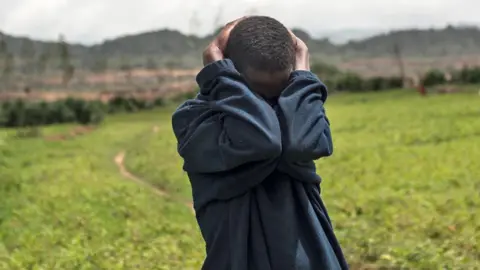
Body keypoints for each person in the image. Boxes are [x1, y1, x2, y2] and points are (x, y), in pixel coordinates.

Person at [172, 16, 349, 270]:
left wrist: (302, 74)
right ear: (227, 75)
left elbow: (302, 144)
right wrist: (220, 76)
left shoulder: (296, 110)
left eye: (280, 91)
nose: (271, 102)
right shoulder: (195, 119)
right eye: (256, 92)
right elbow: (263, 142)